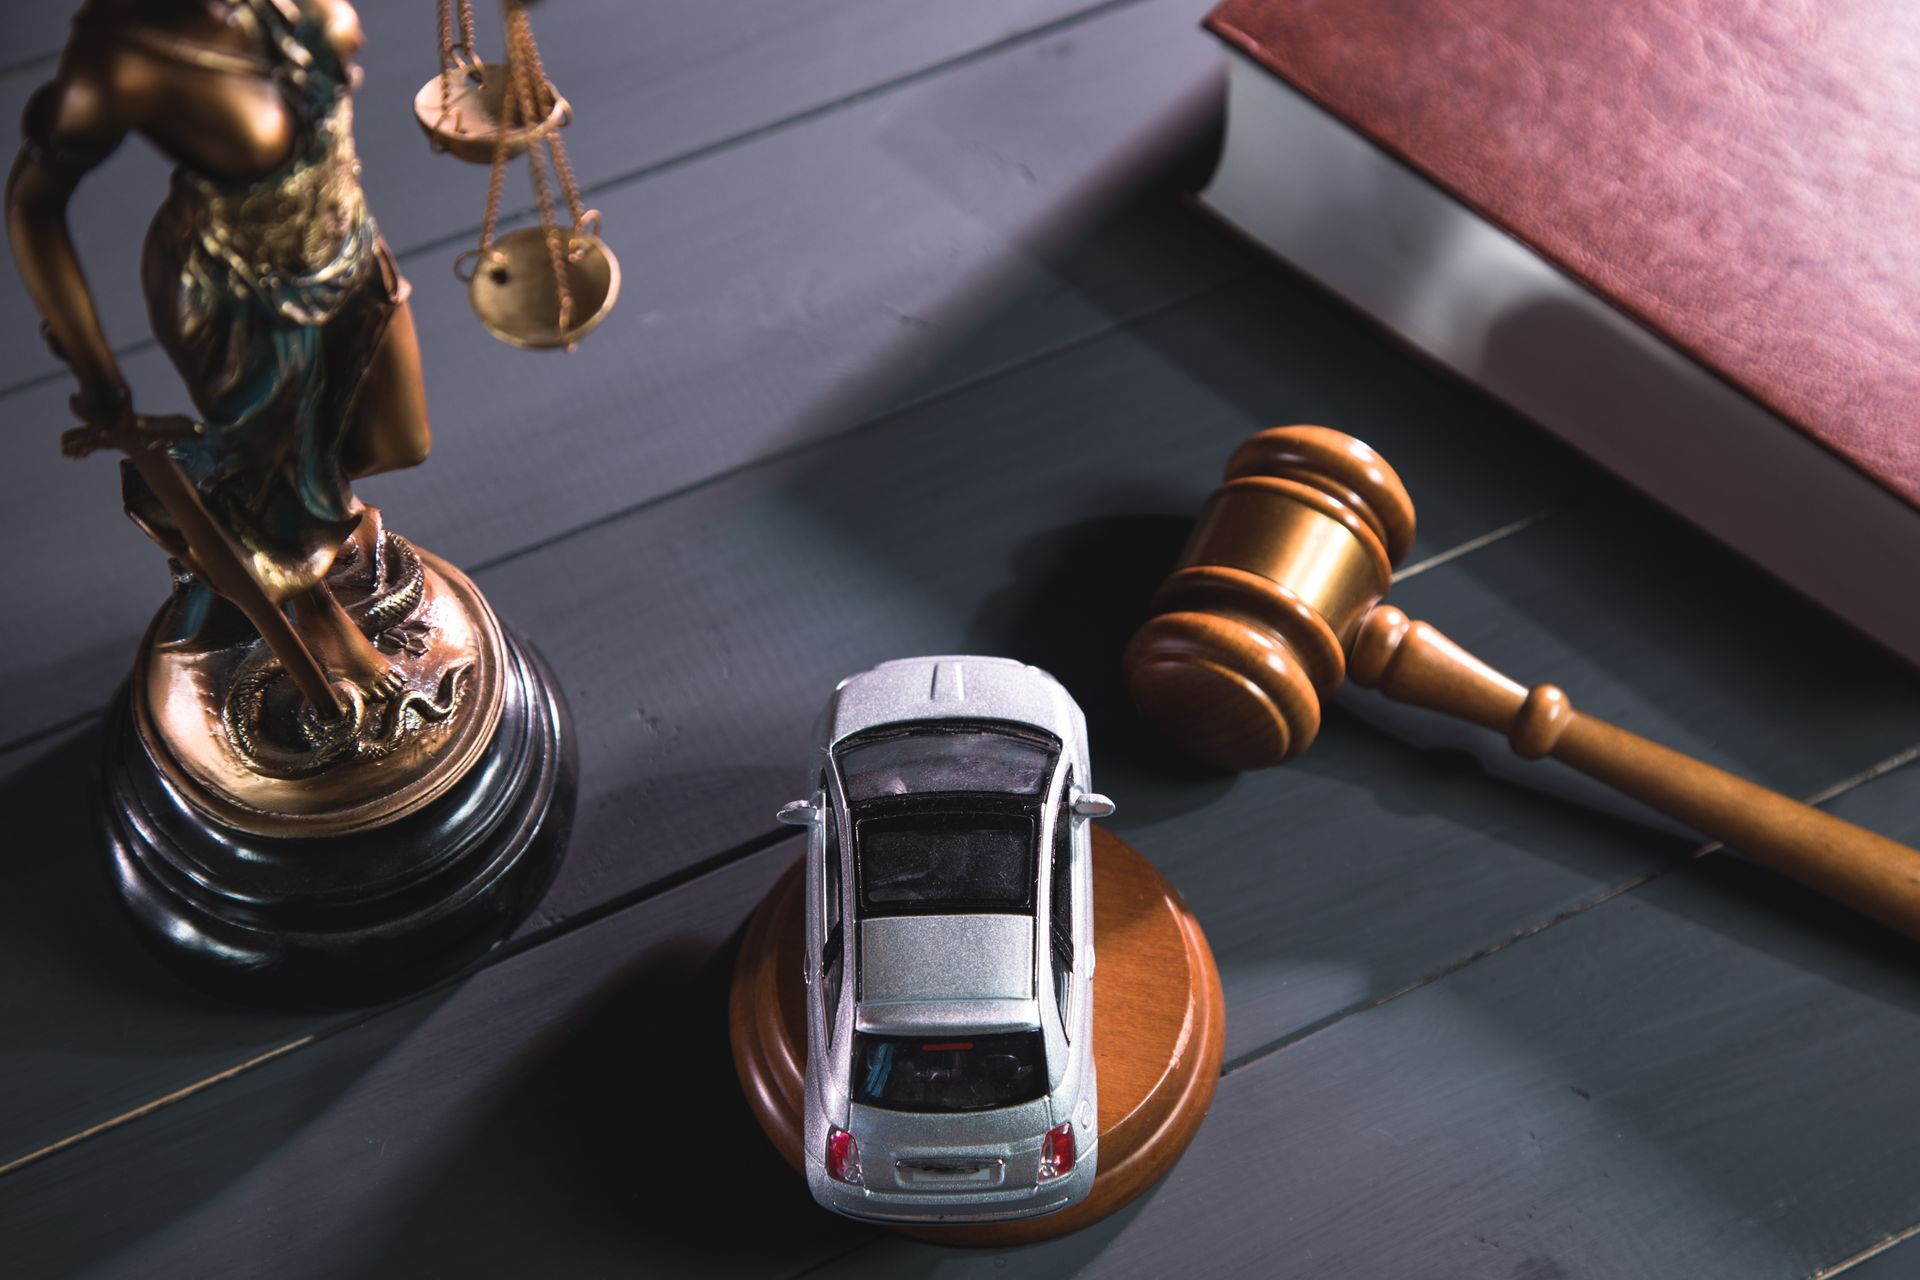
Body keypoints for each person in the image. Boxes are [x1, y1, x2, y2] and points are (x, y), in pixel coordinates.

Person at [7, 0, 431, 702]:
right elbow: (33, 202)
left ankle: (241, 523)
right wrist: (97, 372)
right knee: (283, 487)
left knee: (398, 440)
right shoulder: (120, 51)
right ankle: (308, 602)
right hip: (241, 294)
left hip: (343, 242)